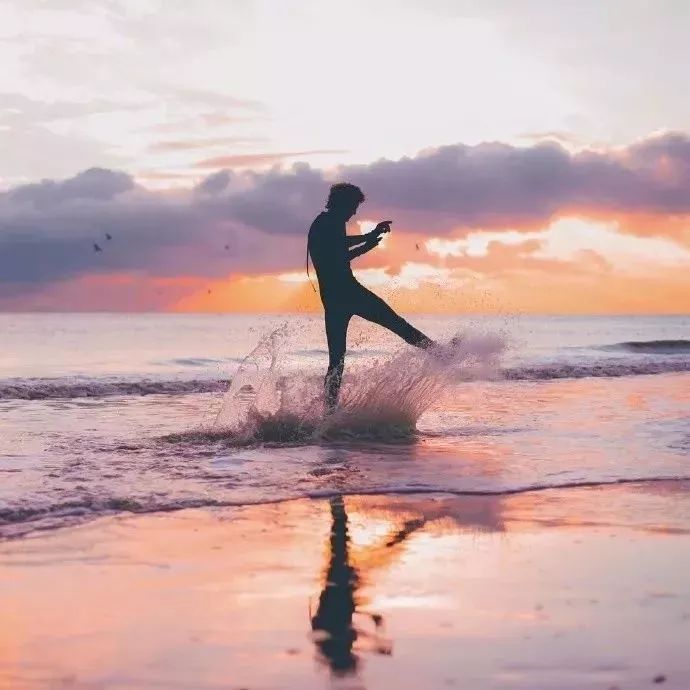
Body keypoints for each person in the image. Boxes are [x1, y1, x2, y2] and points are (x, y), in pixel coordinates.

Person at [308, 183, 434, 411]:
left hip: (332, 298)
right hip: (348, 292)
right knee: (397, 324)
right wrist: (369, 238)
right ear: (343, 203)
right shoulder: (329, 222)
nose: (354, 212)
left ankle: (328, 413)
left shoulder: (324, 223)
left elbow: (338, 256)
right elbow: (339, 251)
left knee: (337, 361)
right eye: (353, 206)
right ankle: (439, 353)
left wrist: (368, 242)